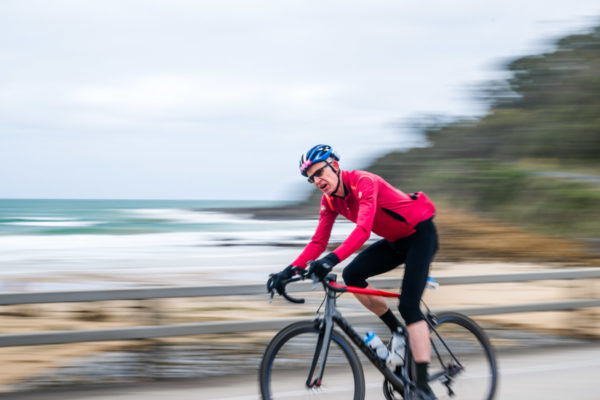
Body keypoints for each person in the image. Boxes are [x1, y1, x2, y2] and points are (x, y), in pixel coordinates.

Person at [267, 144, 439, 399]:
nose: (317, 180)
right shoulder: (330, 201)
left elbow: (363, 230)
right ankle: (397, 330)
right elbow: (318, 242)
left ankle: (423, 387)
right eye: (311, 177)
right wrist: (289, 271)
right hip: (394, 241)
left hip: (420, 235)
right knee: (352, 276)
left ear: (335, 165)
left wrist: (329, 261)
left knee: (409, 307)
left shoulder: (364, 182)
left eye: (320, 172)